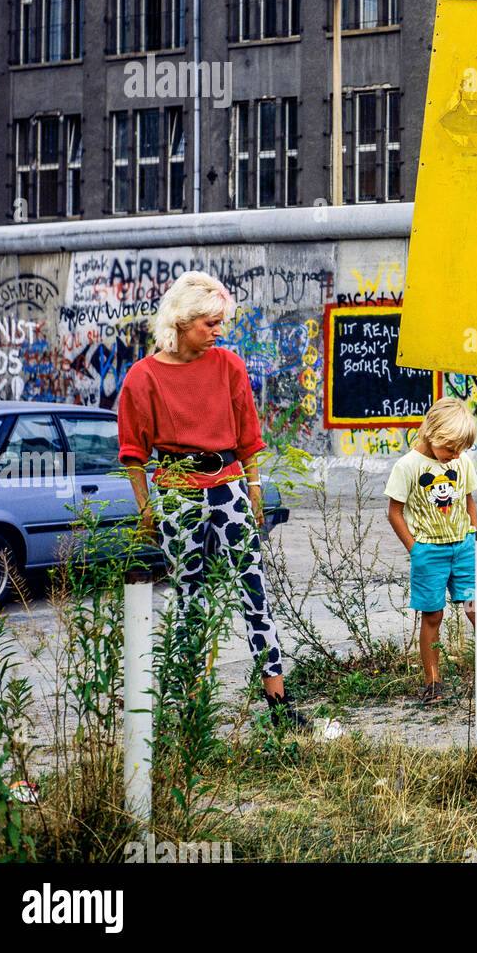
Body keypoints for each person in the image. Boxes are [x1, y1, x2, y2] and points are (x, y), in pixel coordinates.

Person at [117, 270, 307, 729]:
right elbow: (132, 453)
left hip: (228, 484)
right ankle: (189, 709)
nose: (219, 332)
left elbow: (249, 436)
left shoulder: (229, 366)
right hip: (177, 489)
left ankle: (278, 701)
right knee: (188, 597)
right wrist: (146, 507)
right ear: (182, 321)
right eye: (210, 323)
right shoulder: (142, 378)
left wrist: (255, 487)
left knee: (254, 587)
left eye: (221, 323)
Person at [384, 397, 477, 703]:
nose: (455, 456)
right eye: (450, 449)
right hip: (430, 553)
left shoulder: (461, 462)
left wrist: (473, 535)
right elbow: (394, 512)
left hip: (463, 548)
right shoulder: (408, 466)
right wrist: (416, 550)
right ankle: (433, 682)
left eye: (460, 450)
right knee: (433, 616)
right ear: (431, 433)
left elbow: (468, 501)